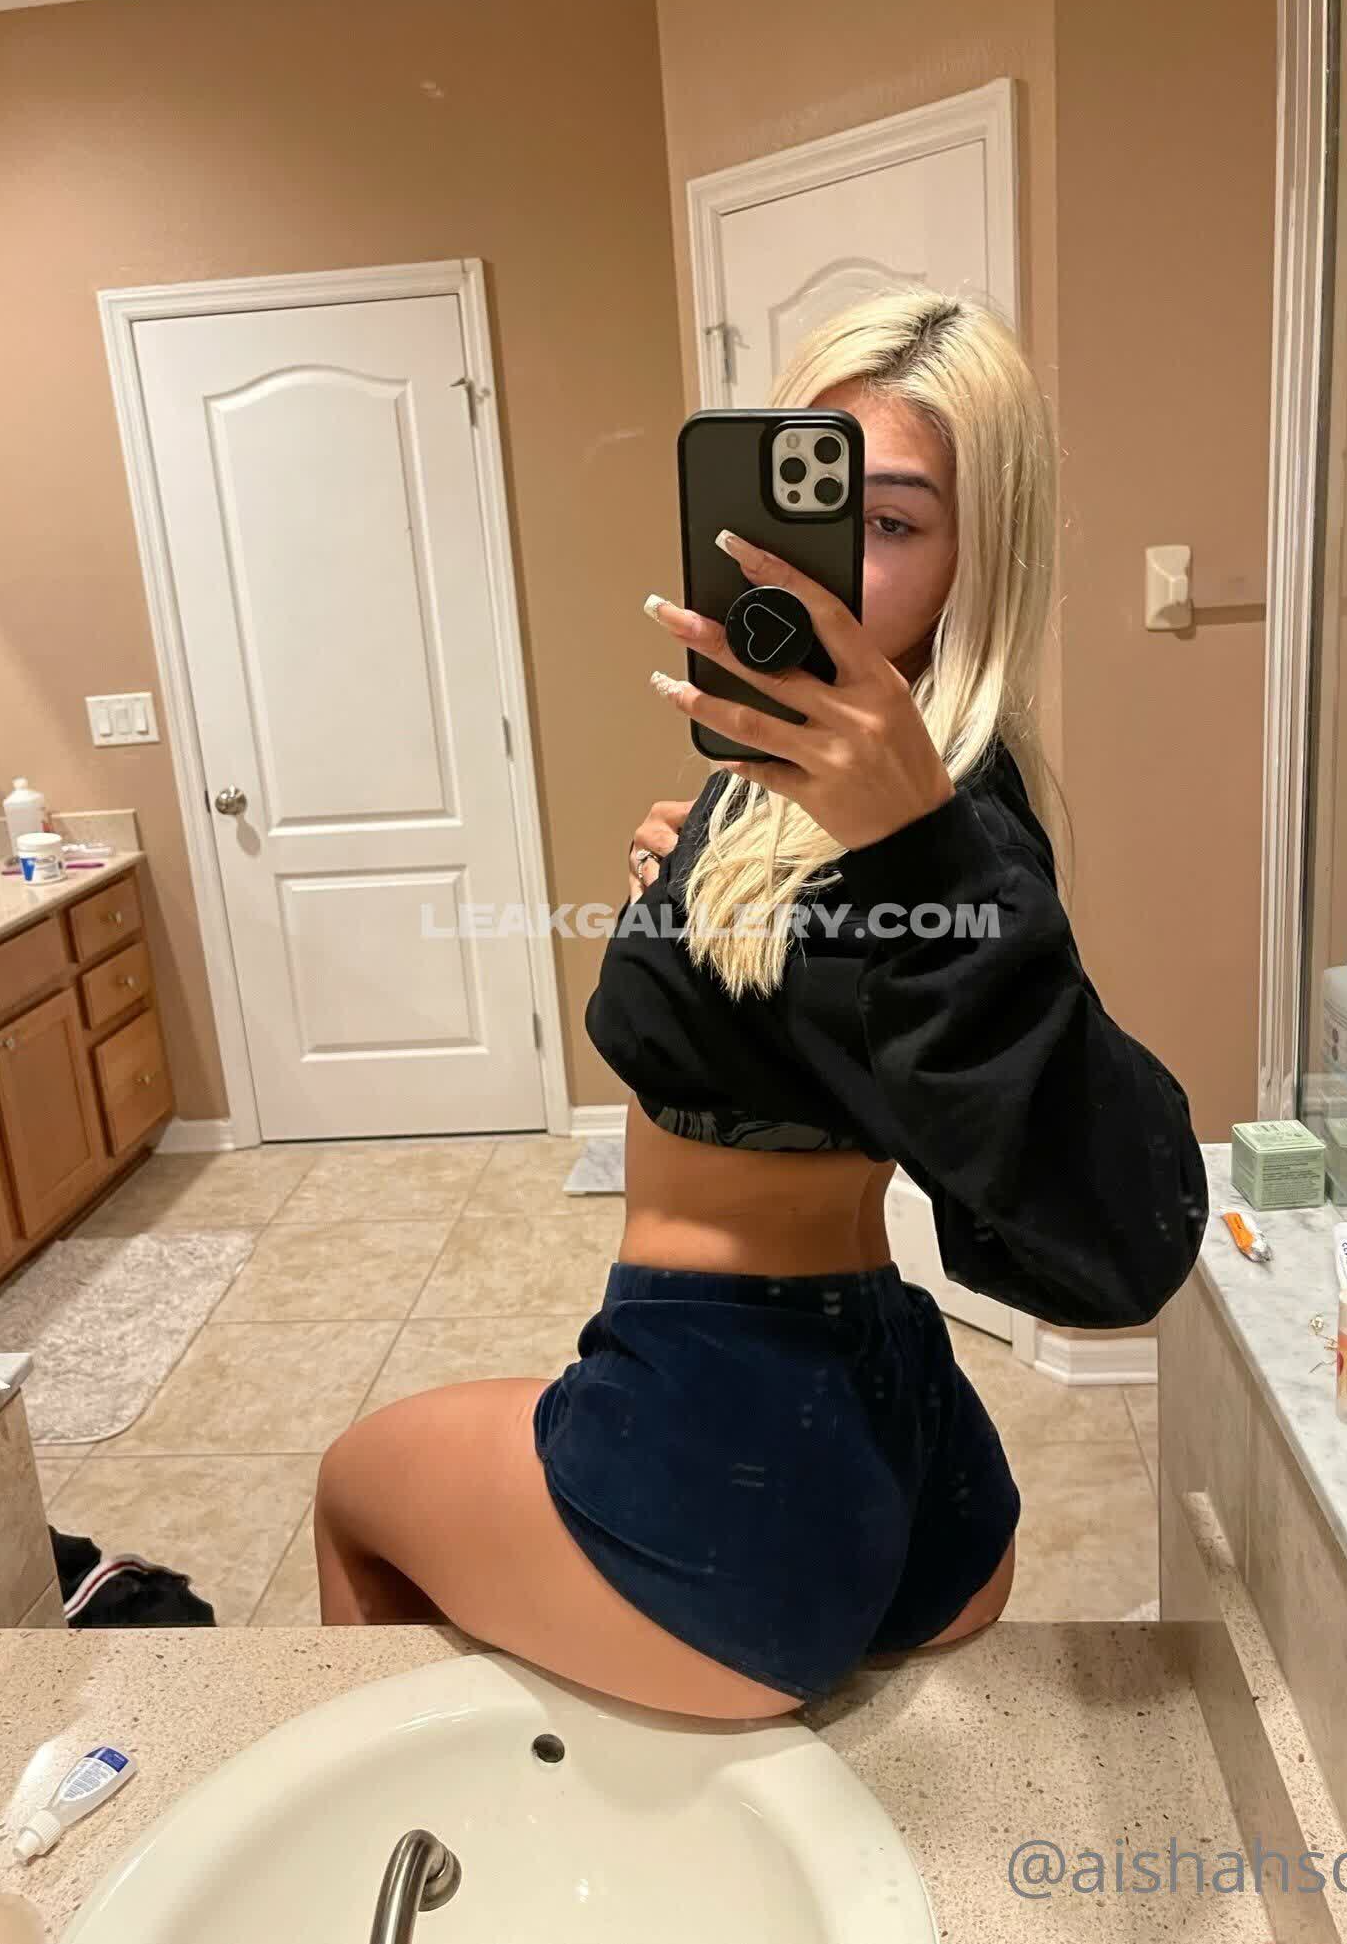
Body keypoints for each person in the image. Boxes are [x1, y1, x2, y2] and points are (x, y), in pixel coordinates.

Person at [313, 289, 1208, 1718]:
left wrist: (907, 856)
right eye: (811, 505)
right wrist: (697, 890)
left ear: (981, 552)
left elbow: (1118, 1241)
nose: (827, 567)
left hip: (729, 1442)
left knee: (355, 1486)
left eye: (892, 522)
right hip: (896, 1421)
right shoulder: (826, 774)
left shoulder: (934, 821)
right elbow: (835, 1024)